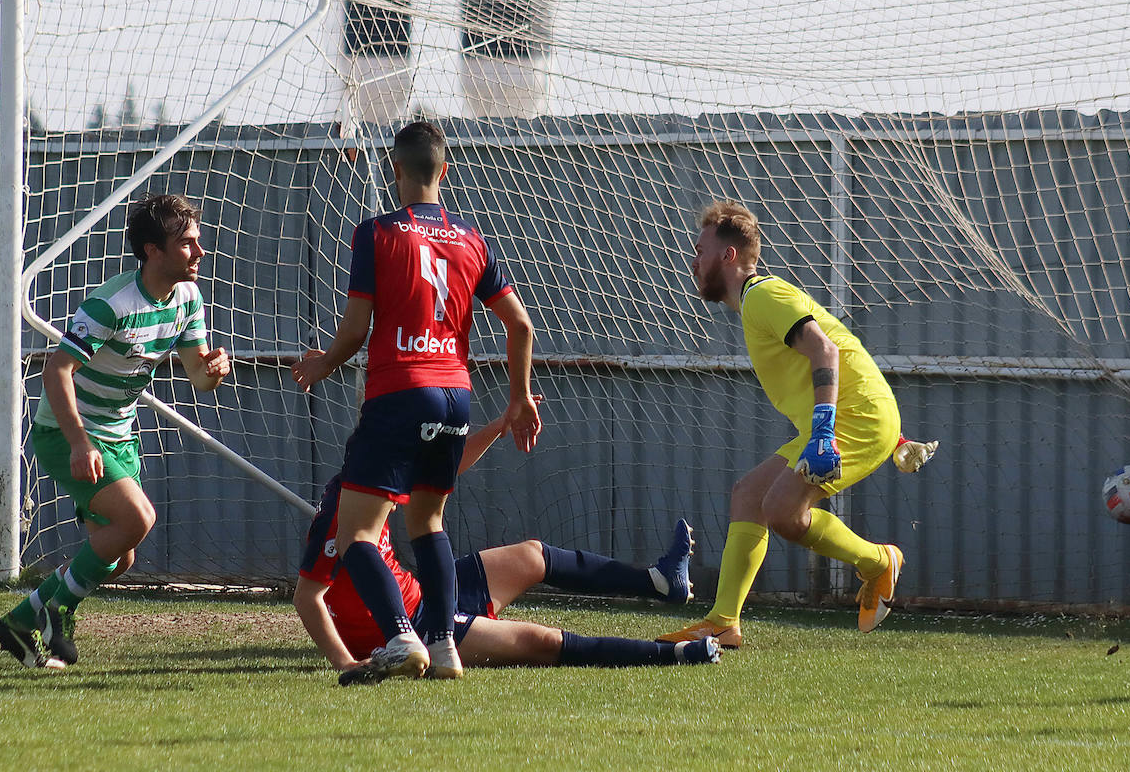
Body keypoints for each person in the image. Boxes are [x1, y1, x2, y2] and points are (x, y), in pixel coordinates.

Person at [292, 120, 540, 682]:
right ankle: (446, 648)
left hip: (400, 391)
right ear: (445, 171)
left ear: (395, 170)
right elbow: (520, 327)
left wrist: (322, 364)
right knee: (428, 522)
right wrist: (520, 398)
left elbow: (355, 331)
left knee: (356, 532)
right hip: (456, 396)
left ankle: (403, 638)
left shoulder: (376, 234)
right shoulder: (474, 240)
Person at [658, 200, 937, 649]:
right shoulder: (755, 303)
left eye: (700, 250)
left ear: (728, 257)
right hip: (847, 414)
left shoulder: (763, 295)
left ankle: (878, 562)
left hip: (855, 419)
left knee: (783, 513)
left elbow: (825, 351)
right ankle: (723, 622)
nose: (694, 261)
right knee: (749, 495)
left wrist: (826, 428)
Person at [0, 193, 230, 669]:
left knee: (120, 557)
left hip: (119, 436)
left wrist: (215, 370)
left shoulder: (188, 298)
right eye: (186, 244)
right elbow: (56, 371)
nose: (200, 253)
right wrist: (80, 441)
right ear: (151, 251)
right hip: (66, 433)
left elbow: (200, 379)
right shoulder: (110, 304)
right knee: (138, 519)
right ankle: (60, 610)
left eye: (198, 242)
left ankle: (20, 620)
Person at [294, 414, 720, 678]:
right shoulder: (339, 511)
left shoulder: (374, 480)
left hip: (425, 595)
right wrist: (347, 663)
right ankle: (676, 655)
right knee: (542, 642)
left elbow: (448, 467)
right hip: (414, 628)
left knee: (531, 555)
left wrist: (499, 426)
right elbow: (307, 596)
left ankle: (659, 581)